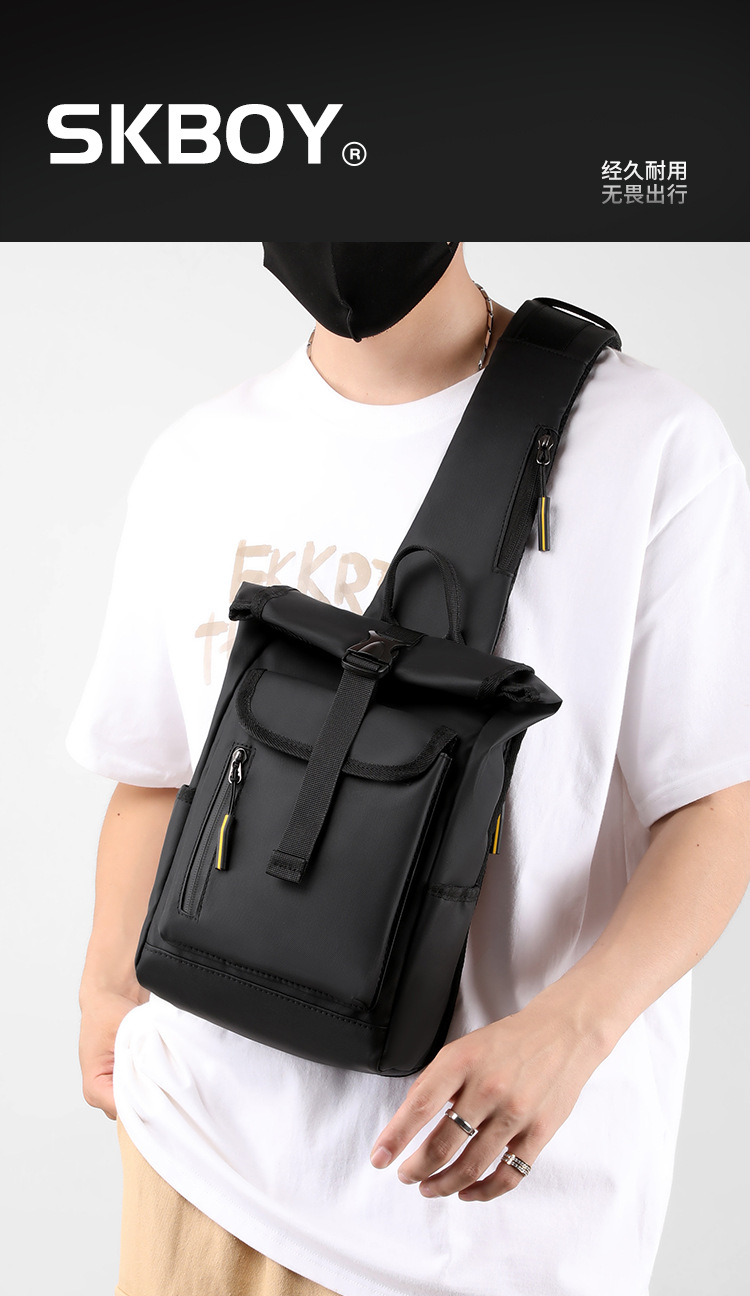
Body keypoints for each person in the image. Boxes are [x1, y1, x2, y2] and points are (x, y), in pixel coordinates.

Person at [69, 242, 750, 1296]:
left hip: (485, 1204)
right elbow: (155, 771)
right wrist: (108, 996)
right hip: (200, 1160)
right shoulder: (201, 458)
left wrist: (572, 1032)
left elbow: (717, 801)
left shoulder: (646, 439)